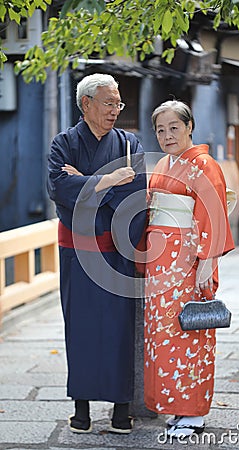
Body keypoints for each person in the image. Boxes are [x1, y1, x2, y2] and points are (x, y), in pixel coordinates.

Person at [48, 73, 146, 435]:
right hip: (77, 252)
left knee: (120, 330)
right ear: (86, 103)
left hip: (117, 249)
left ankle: (122, 409)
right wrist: (107, 180)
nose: (116, 110)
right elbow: (60, 188)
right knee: (81, 328)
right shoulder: (64, 143)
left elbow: (134, 194)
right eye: (109, 103)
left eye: (118, 103)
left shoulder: (128, 143)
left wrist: (87, 183)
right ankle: (82, 408)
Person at [144, 100, 235, 438]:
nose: (167, 135)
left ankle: (193, 411)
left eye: (174, 127)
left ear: (189, 126)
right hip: (159, 261)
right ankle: (174, 405)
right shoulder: (165, 164)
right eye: (160, 129)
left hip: (187, 261)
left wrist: (207, 261)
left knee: (187, 332)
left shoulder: (204, 164)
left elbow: (211, 213)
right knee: (163, 334)